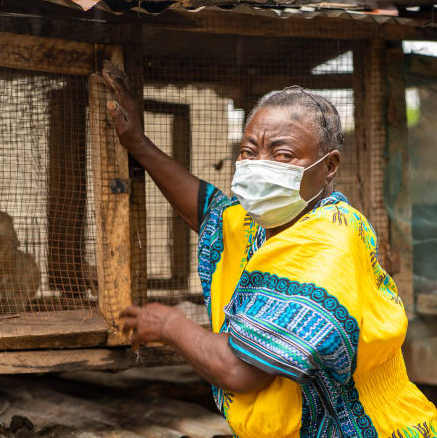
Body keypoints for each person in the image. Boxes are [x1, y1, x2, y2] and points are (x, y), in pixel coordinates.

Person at [101, 60, 437, 437]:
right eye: (249, 151)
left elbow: (238, 370)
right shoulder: (270, 221)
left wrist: (168, 324)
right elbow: (209, 210)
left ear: (330, 167)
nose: (259, 166)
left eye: (282, 155)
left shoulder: (326, 242)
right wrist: (137, 141)